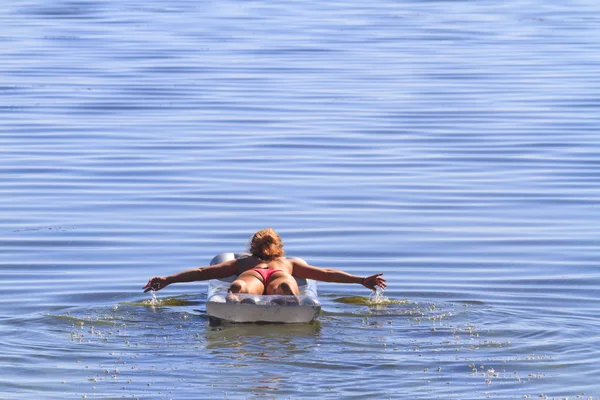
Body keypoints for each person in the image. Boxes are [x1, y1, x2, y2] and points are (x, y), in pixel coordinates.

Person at [143, 228, 386, 296]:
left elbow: (202, 272)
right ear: (279, 248)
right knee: (284, 286)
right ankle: (286, 292)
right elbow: (326, 272)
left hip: (253, 276)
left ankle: (239, 291)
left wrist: (168, 280)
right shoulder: (288, 263)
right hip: (281, 276)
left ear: (252, 247)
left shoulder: (244, 263)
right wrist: (361, 280)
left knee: (242, 286)